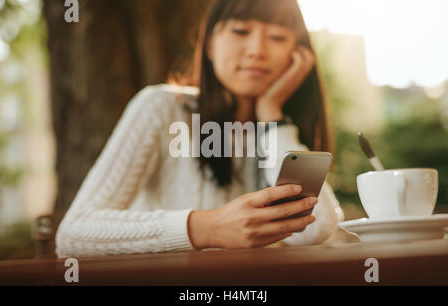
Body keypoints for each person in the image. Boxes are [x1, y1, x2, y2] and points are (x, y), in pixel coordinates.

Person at [55, 0, 344, 258]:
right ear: (208, 44)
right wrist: (206, 228)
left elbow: (316, 228)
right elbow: (74, 234)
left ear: (298, 55)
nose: (257, 50)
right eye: (240, 31)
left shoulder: (280, 130)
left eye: (277, 37)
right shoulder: (162, 108)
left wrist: (273, 119)